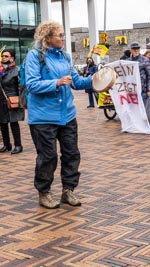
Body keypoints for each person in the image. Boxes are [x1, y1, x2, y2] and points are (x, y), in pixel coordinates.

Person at [25, 21, 93, 209]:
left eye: (64, 35)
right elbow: (31, 84)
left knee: (72, 154)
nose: (63, 38)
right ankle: (44, 192)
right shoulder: (34, 56)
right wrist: (56, 82)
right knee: (48, 157)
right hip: (43, 117)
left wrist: (97, 79)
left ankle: (68, 190)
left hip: (67, 115)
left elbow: (77, 83)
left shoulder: (65, 57)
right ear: (47, 38)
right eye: (60, 35)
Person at [0, 48, 24, 154]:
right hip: (1, 100)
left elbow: (21, 86)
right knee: (2, 123)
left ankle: (18, 145)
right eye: (2, 56)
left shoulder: (16, 70)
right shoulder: (0, 69)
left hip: (12, 99)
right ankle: (7, 144)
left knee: (14, 123)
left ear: (12, 58)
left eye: (6, 56)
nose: (4, 58)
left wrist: (22, 100)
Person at [127, 42, 150, 129]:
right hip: (132, 90)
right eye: (134, 49)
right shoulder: (127, 61)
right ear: (131, 50)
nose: (136, 50)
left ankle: (149, 126)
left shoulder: (145, 60)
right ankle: (137, 125)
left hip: (143, 89)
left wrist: (149, 89)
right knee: (134, 109)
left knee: (145, 108)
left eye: (137, 48)